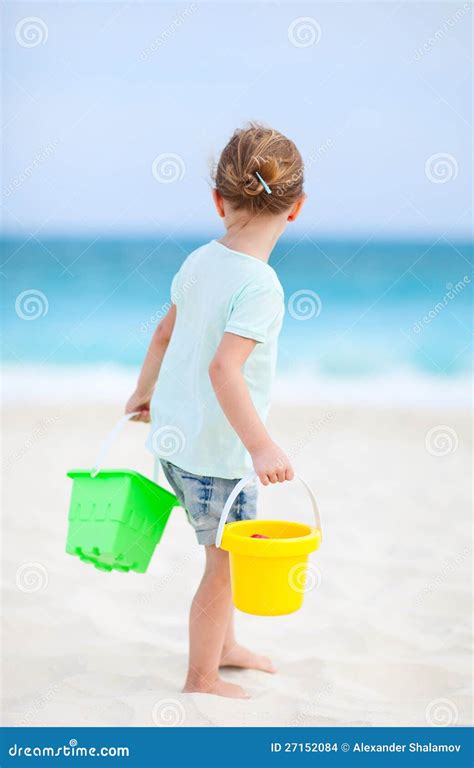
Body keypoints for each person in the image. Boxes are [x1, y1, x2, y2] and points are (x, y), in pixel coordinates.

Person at [126, 123, 306, 698]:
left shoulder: (200, 260)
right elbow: (224, 369)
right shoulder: (262, 286)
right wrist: (262, 445)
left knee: (222, 553)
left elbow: (162, 334)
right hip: (219, 455)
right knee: (224, 563)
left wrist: (142, 393)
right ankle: (202, 677)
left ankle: (225, 648)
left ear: (217, 200)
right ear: (296, 208)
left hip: (181, 442)